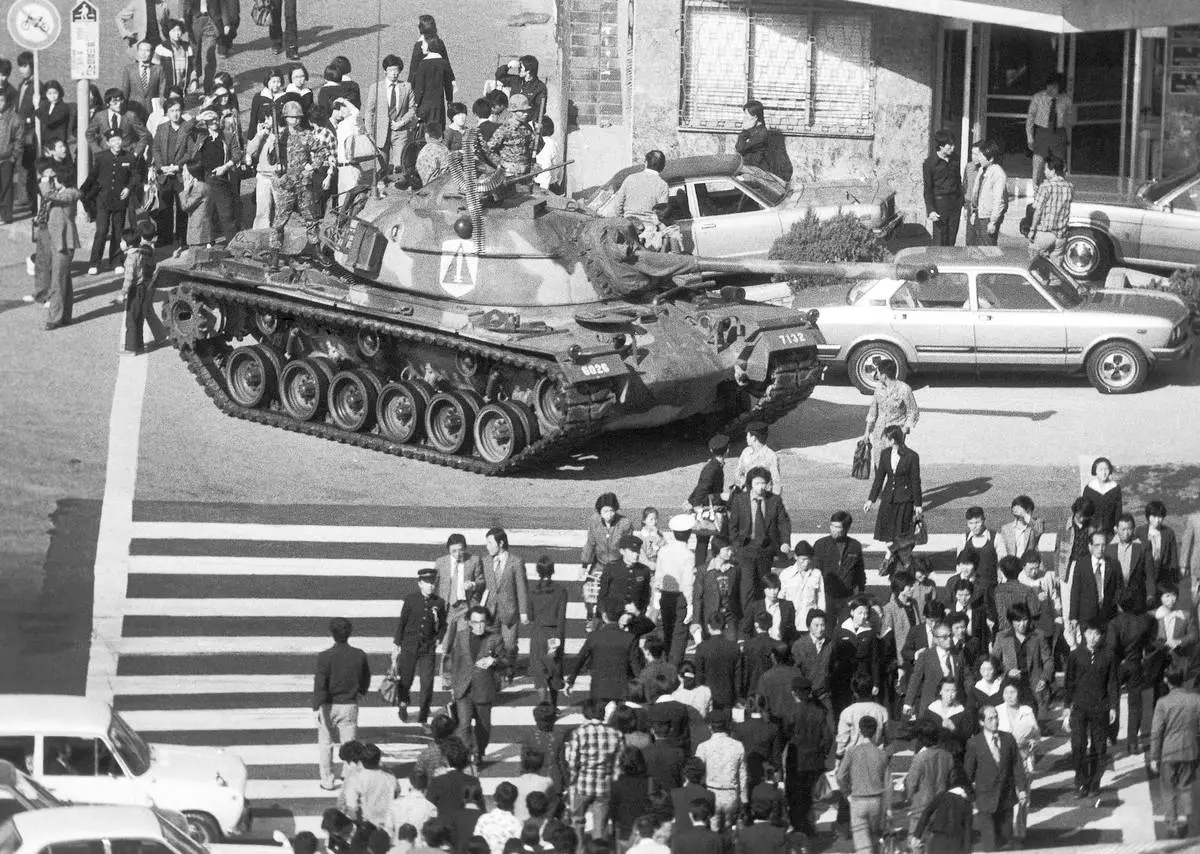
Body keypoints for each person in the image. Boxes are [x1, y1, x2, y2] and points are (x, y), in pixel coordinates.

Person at [728, 467, 791, 631]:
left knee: (763, 587)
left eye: (764, 483)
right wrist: (736, 547)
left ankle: (762, 621)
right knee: (747, 588)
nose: (761, 487)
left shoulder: (774, 500)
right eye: (757, 483)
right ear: (750, 484)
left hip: (766, 550)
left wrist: (785, 542)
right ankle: (747, 624)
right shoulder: (740, 500)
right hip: (745, 549)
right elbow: (732, 526)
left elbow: (783, 522)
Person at [313, 617, 371, 790]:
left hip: (329, 705)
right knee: (350, 744)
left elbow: (320, 684)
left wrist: (318, 705)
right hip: (350, 704)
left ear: (332, 634)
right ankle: (349, 776)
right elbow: (366, 677)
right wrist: (360, 692)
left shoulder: (325, 656)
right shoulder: (359, 654)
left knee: (326, 744)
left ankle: (327, 780)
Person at [447, 606, 506, 765]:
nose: (479, 625)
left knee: (483, 728)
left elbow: (506, 662)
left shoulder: (495, 639)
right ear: (469, 623)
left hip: (483, 689)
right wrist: (453, 685)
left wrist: (494, 661)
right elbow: (455, 661)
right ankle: (468, 754)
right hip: (463, 689)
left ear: (486, 622)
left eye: (482, 622)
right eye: (475, 622)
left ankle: (479, 751)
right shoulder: (461, 636)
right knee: (464, 725)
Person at [1065, 620, 1118, 796]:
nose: (1093, 637)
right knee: (1078, 744)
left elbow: (1112, 682)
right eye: (1089, 633)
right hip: (1079, 706)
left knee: (1099, 746)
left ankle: (1095, 782)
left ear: (1101, 635)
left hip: (1100, 705)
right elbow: (1069, 682)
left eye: (1096, 634)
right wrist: (1067, 706)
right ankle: (1081, 781)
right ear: (1083, 634)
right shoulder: (1075, 655)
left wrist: (1113, 707)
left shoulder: (1108, 655)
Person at [964, 704, 1027, 851]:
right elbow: (968, 772)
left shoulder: (1008, 739)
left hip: (1006, 797)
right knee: (990, 843)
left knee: (1005, 838)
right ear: (981, 722)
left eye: (996, 717)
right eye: (990, 718)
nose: (995, 721)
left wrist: (1022, 788)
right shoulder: (974, 743)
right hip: (985, 799)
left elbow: (1016, 765)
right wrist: (969, 795)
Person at [1150, 664, 1200, 839]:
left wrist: (1154, 756)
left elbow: (1157, 732)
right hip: (1190, 750)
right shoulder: (1195, 699)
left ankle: (1172, 824)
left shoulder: (1163, 703)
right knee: (1186, 787)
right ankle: (1189, 820)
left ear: (1166, 681)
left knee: (1168, 790)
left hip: (1169, 751)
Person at [391, 567, 447, 724]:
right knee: (405, 680)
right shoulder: (410, 600)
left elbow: (443, 625)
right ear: (420, 583)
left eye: (433, 583)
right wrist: (397, 644)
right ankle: (403, 704)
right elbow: (402, 622)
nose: (430, 586)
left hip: (427, 648)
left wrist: (439, 638)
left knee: (427, 683)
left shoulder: (439, 603)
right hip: (409, 646)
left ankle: (423, 713)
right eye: (427, 583)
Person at [565, 697, 625, 843]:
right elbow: (618, 764)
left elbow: (572, 762)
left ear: (585, 713)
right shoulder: (616, 733)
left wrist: (572, 781)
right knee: (600, 826)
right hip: (604, 785)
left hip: (582, 784)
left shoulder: (579, 732)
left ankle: (579, 849)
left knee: (577, 821)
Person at [779, 676, 832, 837]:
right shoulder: (819, 712)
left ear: (795, 692)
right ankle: (809, 826)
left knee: (794, 795)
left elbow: (784, 734)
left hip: (796, 760)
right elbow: (828, 738)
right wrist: (823, 752)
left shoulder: (791, 712)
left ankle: (798, 825)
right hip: (815, 760)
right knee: (809, 796)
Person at [271, 100, 326, 249]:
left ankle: (316, 248)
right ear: (285, 118)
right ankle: (274, 253)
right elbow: (272, 159)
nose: (295, 120)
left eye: (297, 117)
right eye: (291, 117)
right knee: (279, 220)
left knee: (311, 218)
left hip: (303, 183)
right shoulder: (280, 136)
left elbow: (322, 151)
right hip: (286, 183)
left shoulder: (306, 135)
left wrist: (312, 167)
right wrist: (273, 145)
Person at [33, 159, 80, 331]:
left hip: (64, 242)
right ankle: (65, 315)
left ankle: (54, 318)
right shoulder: (61, 192)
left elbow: (51, 195)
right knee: (64, 280)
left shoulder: (70, 193)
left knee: (57, 282)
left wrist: (45, 181)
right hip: (57, 241)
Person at [84, 129, 139, 276]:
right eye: (113, 140)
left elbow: (135, 176)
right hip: (103, 199)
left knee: (117, 231)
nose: (117, 143)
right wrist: (83, 194)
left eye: (119, 139)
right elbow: (93, 177)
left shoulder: (129, 157)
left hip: (120, 200)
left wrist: (128, 188)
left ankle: (116, 261)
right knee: (101, 231)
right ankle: (94, 262)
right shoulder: (101, 157)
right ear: (108, 143)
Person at [835, 716, 890, 854]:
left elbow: (841, 776)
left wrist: (846, 793)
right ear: (876, 731)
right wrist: (888, 807)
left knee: (862, 844)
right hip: (877, 800)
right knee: (875, 840)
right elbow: (888, 783)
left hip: (858, 799)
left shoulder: (852, 752)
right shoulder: (882, 754)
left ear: (859, 730)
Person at [568, 603, 642, 703]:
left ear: (604, 616)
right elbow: (635, 666)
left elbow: (579, 660)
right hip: (621, 691)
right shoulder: (629, 638)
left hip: (599, 689)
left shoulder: (594, 636)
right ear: (620, 616)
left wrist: (571, 680)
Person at [581, 493, 634, 631]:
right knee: (590, 591)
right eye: (605, 511)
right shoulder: (594, 522)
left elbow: (628, 546)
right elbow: (590, 544)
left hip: (617, 564)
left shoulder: (625, 524)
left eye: (611, 510)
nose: (609, 514)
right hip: (600, 563)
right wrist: (584, 565)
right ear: (600, 512)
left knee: (618, 594)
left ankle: (617, 619)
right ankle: (591, 617)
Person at [189, 108, 240, 247]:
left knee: (226, 213)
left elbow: (237, 155)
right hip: (203, 178)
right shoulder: (201, 136)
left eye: (216, 120)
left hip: (220, 179)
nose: (214, 123)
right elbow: (187, 129)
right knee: (206, 212)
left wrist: (225, 167)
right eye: (211, 121)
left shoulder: (228, 135)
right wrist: (199, 116)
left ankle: (233, 243)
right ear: (206, 123)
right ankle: (207, 242)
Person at [996, 678, 1039, 841]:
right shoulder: (997, 711)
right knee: (1004, 796)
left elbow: (1037, 735)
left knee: (1023, 796)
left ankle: (1020, 832)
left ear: (1019, 693)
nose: (1010, 696)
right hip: (1003, 760)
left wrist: (1033, 743)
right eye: (1006, 692)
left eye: (1013, 692)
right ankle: (1003, 831)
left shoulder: (1027, 710)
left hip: (1024, 759)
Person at [864, 426, 922, 543]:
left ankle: (890, 557)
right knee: (887, 533)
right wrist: (871, 500)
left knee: (901, 535)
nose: (884, 441)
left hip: (904, 500)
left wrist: (918, 504)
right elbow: (879, 479)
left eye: (886, 438)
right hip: (888, 499)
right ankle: (890, 556)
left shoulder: (912, 456)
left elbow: (915, 481)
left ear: (893, 440)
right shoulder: (885, 454)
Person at [654, 515, 697, 667]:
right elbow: (687, 583)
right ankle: (674, 667)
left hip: (665, 595)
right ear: (689, 533)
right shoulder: (689, 555)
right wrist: (691, 604)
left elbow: (659, 574)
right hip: (681, 598)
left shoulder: (664, 550)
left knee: (668, 630)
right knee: (679, 635)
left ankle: (667, 663)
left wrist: (656, 594)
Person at [119, 221, 168, 354]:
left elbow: (144, 251)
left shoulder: (146, 249)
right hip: (148, 284)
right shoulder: (146, 247)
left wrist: (135, 249)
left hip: (146, 285)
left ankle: (159, 336)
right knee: (146, 311)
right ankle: (160, 336)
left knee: (144, 312)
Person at [905, 720, 955, 848]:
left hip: (920, 807)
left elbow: (912, 783)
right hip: (941, 807)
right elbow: (951, 781)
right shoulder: (948, 756)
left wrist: (910, 798)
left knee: (916, 845)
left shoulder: (920, 758)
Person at [863, 358, 918, 467]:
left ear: (884, 375)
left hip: (895, 434)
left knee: (894, 464)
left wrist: (904, 429)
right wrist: (867, 433)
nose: (876, 375)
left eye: (878, 372)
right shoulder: (879, 389)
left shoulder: (904, 389)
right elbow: (872, 412)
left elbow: (913, 412)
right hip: (879, 433)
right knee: (879, 464)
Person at [367, 55, 415, 179]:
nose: (394, 73)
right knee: (381, 168)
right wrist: (369, 133)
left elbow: (412, 109)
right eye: (391, 70)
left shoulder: (406, 86)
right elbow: (369, 112)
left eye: (396, 70)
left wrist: (402, 122)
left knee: (400, 166)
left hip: (400, 132)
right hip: (381, 132)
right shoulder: (376, 88)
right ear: (385, 71)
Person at [814, 511, 865, 621]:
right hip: (827, 596)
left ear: (846, 528)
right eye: (832, 525)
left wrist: (861, 593)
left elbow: (859, 571)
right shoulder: (820, 545)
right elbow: (815, 572)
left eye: (837, 527)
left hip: (847, 596)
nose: (833, 529)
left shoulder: (855, 546)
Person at [913, 766, 973, 854]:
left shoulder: (942, 796)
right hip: (956, 842)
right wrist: (967, 851)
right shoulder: (967, 804)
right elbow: (968, 831)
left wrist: (917, 835)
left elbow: (926, 813)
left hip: (938, 839)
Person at [1026, 72, 1072, 187]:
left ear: (1060, 87)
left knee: (1059, 166)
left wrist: (1067, 138)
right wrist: (1030, 137)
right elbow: (1030, 118)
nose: (1051, 89)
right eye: (1049, 85)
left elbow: (1070, 121)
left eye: (1055, 86)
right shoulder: (1038, 98)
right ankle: (1037, 195)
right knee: (1038, 166)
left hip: (1059, 134)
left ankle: (1058, 192)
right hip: (1042, 133)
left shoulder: (1066, 99)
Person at [1027, 154, 1073, 265]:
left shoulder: (1045, 187)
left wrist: (1032, 230)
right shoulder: (1070, 187)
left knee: (1033, 264)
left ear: (1053, 171)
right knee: (1056, 270)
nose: (1044, 172)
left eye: (1046, 169)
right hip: (1061, 235)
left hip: (1045, 233)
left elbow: (1038, 211)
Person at [922, 129, 962, 247]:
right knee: (940, 240)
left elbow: (958, 180)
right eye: (950, 145)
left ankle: (950, 264)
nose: (953, 148)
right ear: (941, 146)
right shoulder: (929, 164)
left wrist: (961, 201)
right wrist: (931, 210)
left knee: (951, 239)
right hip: (940, 205)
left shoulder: (955, 159)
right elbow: (927, 189)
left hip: (955, 204)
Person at [600, 535, 653, 623]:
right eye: (632, 551)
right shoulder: (611, 568)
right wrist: (603, 612)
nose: (636, 555)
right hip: (613, 615)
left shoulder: (644, 570)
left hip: (633, 616)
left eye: (638, 551)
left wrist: (639, 613)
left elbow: (645, 596)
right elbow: (603, 593)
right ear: (622, 551)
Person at [343, 743, 399, 826]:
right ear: (379, 759)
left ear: (361, 760)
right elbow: (396, 793)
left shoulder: (355, 779)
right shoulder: (390, 777)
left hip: (366, 824)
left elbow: (352, 808)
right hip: (387, 823)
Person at [964, 139, 1007, 247]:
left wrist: (993, 221)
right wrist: (974, 211)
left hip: (988, 217)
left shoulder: (997, 173)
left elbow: (999, 200)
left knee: (987, 249)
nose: (979, 158)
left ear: (991, 158)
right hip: (979, 215)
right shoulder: (982, 170)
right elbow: (976, 193)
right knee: (975, 247)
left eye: (982, 156)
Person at [180, 0, 229, 93]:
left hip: (212, 21)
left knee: (210, 54)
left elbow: (223, 5)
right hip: (195, 20)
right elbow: (184, 3)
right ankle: (195, 75)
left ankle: (208, 85)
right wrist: (182, 18)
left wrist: (226, 23)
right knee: (194, 52)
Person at [694, 620, 741, 712]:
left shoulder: (702, 647)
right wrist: (737, 695)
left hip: (708, 695)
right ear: (725, 626)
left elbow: (699, 674)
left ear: (708, 627)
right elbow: (738, 675)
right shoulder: (734, 647)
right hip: (728, 695)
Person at [1137, 501, 1180, 601]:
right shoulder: (1140, 531)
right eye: (1154, 516)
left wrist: (1173, 578)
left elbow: (1173, 557)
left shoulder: (1169, 533)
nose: (1157, 520)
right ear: (1148, 516)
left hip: (1162, 574)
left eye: (1160, 517)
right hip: (1144, 575)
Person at [612, 150, 668, 226]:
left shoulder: (630, 179)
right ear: (663, 167)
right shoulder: (662, 185)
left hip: (629, 228)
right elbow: (661, 213)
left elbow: (617, 205)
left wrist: (625, 221)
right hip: (649, 229)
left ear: (646, 163)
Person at [413, 36, 454, 130]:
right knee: (438, 131)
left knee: (424, 132)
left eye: (423, 44)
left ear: (429, 46)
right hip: (439, 105)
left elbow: (419, 87)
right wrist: (449, 100)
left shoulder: (423, 64)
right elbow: (448, 85)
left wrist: (416, 103)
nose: (422, 47)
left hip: (425, 105)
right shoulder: (443, 63)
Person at [389, 770, 438, 845]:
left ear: (410, 784)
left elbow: (388, 829)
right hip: (419, 849)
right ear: (427, 785)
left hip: (397, 847)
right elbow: (431, 835)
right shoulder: (431, 808)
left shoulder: (395, 804)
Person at [733, 423, 782, 496]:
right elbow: (738, 473)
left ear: (754, 438)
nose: (746, 437)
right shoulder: (746, 452)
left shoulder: (771, 456)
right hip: (746, 496)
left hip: (764, 497)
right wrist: (746, 482)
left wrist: (774, 501)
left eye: (748, 435)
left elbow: (776, 483)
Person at [474, 781, 522, 854]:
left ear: (495, 798)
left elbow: (476, 843)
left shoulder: (483, 819)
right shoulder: (517, 823)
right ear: (514, 800)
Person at [120, 41, 164, 120]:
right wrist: (123, 112)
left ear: (152, 52)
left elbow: (162, 92)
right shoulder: (129, 69)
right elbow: (125, 92)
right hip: (133, 110)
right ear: (137, 52)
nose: (143, 53)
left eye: (147, 51)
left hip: (152, 112)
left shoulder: (158, 69)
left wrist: (160, 111)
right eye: (141, 50)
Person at [1083, 457, 1123, 539]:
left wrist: (1117, 525)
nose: (1104, 473)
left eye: (1106, 469)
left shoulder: (1115, 488)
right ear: (1095, 471)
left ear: (1110, 470)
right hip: (1092, 528)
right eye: (1100, 470)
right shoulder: (1089, 488)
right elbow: (1085, 510)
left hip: (1110, 529)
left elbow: (1118, 510)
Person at [0, 91, 24, 224]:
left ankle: (5, 215)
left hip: (6, 158)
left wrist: (13, 156)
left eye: (1, 100)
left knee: (6, 187)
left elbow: (19, 140)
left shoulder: (14, 118)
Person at [35, 81, 71, 150]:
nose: (52, 96)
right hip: (46, 142)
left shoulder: (64, 107)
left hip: (58, 143)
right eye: (49, 93)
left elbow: (50, 121)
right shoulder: (46, 106)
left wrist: (37, 107)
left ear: (59, 93)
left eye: (55, 93)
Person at [416, 123, 451, 187]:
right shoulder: (445, 149)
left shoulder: (425, 151)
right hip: (447, 184)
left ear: (427, 135)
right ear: (441, 137)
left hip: (430, 187)